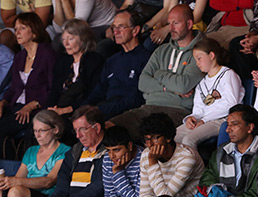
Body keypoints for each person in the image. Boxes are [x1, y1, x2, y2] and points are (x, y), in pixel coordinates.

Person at [109, 5, 204, 140]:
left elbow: (183, 85)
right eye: (169, 23)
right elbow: (142, 82)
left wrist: (159, 74)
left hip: (176, 111)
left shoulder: (200, 51)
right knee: (108, 128)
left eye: (175, 23)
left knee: (151, 135)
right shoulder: (161, 50)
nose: (171, 28)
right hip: (147, 108)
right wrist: (168, 88)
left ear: (189, 24)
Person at [0, 109, 68, 197]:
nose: (37, 135)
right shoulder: (31, 151)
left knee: (16, 188)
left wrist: (14, 181)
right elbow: (18, 178)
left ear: (55, 129)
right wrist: (8, 182)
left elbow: (49, 181)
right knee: (6, 188)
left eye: (42, 130)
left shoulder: (65, 151)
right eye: (35, 130)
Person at [174, 38, 244, 149]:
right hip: (204, 120)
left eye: (199, 58)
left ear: (211, 55)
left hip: (223, 119)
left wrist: (204, 120)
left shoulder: (227, 74)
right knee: (172, 137)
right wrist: (191, 118)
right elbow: (198, 109)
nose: (197, 63)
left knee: (189, 139)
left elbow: (231, 104)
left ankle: (194, 166)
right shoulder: (202, 83)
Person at [0, 13, 54, 156]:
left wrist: (32, 105)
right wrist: (3, 101)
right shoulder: (19, 57)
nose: (17, 32)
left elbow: (52, 88)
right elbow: (13, 88)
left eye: (22, 28)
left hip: (37, 108)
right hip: (16, 108)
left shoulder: (47, 54)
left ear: (34, 32)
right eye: (16, 28)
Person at [82, 9, 151, 121]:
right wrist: (81, 109)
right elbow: (98, 91)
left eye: (121, 27)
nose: (116, 32)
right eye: (114, 27)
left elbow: (138, 97)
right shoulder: (112, 61)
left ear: (135, 31)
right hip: (105, 111)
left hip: (128, 114)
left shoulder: (146, 58)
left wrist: (101, 109)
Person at [46, 19, 103, 140]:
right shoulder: (63, 62)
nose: (66, 43)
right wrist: (50, 109)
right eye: (64, 39)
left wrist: (65, 110)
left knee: (59, 129)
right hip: (60, 108)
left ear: (83, 39)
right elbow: (54, 90)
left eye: (70, 39)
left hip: (80, 110)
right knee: (40, 123)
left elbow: (92, 95)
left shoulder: (94, 60)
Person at [50, 0, 116, 42]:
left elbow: (75, 27)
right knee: (58, 39)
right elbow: (58, 29)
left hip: (106, 25)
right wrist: (58, 2)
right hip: (86, 27)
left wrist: (65, 1)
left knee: (74, 39)